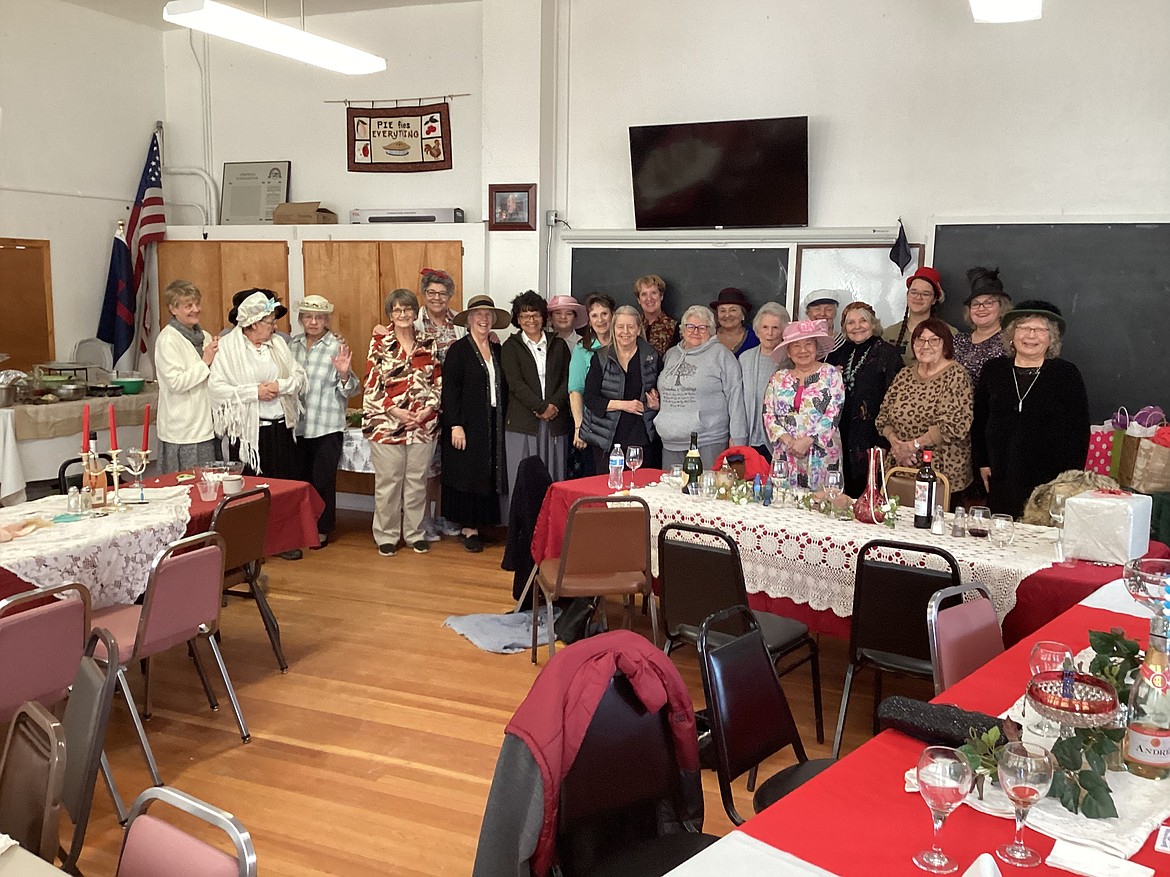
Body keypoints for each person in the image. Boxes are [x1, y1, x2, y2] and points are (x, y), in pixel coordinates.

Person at [972, 300, 1090, 519]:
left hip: (1049, 480)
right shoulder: (993, 371)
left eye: (1039, 330)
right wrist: (983, 463)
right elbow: (979, 420)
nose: (1031, 335)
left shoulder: (1066, 374)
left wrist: (1069, 480)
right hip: (1001, 474)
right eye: (1024, 328)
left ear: (1051, 337)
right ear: (1012, 335)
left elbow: (1079, 432)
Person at [362, 289, 442, 557]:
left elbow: (438, 383)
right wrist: (396, 411)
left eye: (408, 309)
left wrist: (426, 411)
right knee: (388, 483)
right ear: (390, 315)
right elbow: (372, 385)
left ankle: (415, 533)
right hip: (387, 426)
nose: (403, 314)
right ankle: (386, 535)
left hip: (422, 426)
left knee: (417, 482)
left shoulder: (428, 343)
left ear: (415, 312)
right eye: (397, 310)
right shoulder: (379, 344)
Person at [209, 290, 306, 481]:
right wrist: (255, 392)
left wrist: (280, 386)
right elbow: (217, 390)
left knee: (284, 485)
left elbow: (299, 376)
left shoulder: (278, 344)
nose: (275, 326)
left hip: (281, 430)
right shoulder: (228, 348)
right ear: (254, 323)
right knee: (252, 488)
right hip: (249, 434)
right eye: (270, 322)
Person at [441, 295, 511, 553]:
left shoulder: (497, 348)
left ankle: (481, 525)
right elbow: (450, 390)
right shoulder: (459, 350)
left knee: (488, 470)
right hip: (468, 420)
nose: (483, 319)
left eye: (488, 315)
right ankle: (468, 528)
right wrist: (455, 424)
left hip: (492, 419)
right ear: (469, 319)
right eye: (478, 315)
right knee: (468, 471)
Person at [875, 318, 973, 499]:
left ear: (946, 344)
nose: (925, 345)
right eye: (920, 340)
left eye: (934, 340)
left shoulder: (956, 375)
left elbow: (955, 425)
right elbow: (883, 418)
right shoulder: (905, 374)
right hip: (899, 467)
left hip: (941, 472)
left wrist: (914, 446)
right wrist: (897, 446)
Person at [291, 294, 360, 548]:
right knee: (300, 481)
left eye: (318, 317)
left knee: (322, 481)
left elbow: (352, 389)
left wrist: (343, 374)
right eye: (308, 317)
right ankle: (301, 527)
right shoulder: (291, 346)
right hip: (297, 426)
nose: (313, 322)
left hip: (326, 427)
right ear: (301, 319)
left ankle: (321, 529)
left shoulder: (336, 346)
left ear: (326, 320)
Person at [826, 302, 905, 497]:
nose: (857, 326)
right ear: (844, 327)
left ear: (873, 324)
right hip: (842, 436)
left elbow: (895, 401)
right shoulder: (839, 354)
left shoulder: (888, 353)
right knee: (842, 495)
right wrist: (830, 375)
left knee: (869, 494)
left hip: (873, 436)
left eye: (863, 320)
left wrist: (884, 442)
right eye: (851, 322)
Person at [657, 304, 747, 469]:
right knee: (671, 492)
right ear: (682, 330)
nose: (695, 331)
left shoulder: (722, 355)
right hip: (671, 441)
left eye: (702, 328)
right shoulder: (670, 355)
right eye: (690, 326)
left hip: (708, 441)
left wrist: (739, 438)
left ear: (711, 331)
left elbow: (736, 397)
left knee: (705, 492)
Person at [500, 290, 571, 495]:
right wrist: (540, 407)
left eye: (535, 314)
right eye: (524, 315)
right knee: (522, 479)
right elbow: (515, 383)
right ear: (518, 319)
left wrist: (553, 405)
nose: (530, 320)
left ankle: (552, 525)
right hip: (523, 424)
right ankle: (522, 526)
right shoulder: (510, 347)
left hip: (555, 422)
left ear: (543, 317)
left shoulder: (559, 344)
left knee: (553, 479)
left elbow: (568, 379)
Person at [414, 267, 466, 541]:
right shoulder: (413, 323)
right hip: (424, 404)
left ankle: (445, 516)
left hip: (454, 404)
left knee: (450, 466)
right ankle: (422, 521)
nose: (436, 298)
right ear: (424, 294)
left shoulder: (459, 322)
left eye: (442, 293)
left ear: (450, 295)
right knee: (425, 467)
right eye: (431, 293)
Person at [763, 320, 844, 489]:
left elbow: (833, 412)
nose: (803, 350)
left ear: (816, 348)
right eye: (796, 346)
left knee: (821, 505)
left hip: (821, 453)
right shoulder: (778, 377)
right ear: (789, 352)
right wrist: (789, 441)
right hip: (786, 452)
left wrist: (808, 440)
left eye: (808, 344)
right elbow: (768, 414)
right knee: (783, 505)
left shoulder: (831, 374)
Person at [581, 305, 662, 472]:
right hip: (606, 439)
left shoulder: (652, 357)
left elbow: (660, 394)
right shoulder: (601, 358)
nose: (625, 331)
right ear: (613, 329)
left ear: (639, 329)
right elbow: (590, 398)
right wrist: (625, 405)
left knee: (639, 491)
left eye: (631, 326)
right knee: (609, 491)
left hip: (642, 437)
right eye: (620, 327)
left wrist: (656, 404)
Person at [154, 279, 219, 473]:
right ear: (173, 309)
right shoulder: (168, 340)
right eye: (188, 305)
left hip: (205, 425)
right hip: (182, 431)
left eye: (197, 304)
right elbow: (176, 383)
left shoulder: (204, 335)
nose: (195, 309)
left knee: (208, 484)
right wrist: (206, 360)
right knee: (185, 486)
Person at [567, 293, 615, 472]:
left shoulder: (624, 344)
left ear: (612, 315)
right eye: (594, 315)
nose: (600, 320)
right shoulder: (582, 349)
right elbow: (575, 390)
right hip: (593, 427)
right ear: (589, 320)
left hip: (620, 425)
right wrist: (580, 427)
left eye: (604, 314)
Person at [739, 302, 791, 462]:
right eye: (765, 327)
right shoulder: (744, 359)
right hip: (748, 437)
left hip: (779, 440)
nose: (770, 333)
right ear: (757, 330)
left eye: (775, 328)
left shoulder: (790, 361)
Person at [883, 267, 957, 366]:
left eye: (925, 294)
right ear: (907, 295)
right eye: (913, 292)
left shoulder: (950, 334)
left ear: (934, 299)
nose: (918, 297)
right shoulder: (889, 334)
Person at [954, 267, 1011, 384]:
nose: (981, 308)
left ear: (1001, 307)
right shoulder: (958, 340)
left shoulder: (1010, 341)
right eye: (975, 304)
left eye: (988, 303)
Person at [634, 274, 679, 357]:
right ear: (638, 300)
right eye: (644, 294)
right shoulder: (633, 325)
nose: (649, 298)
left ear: (661, 296)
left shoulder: (674, 327)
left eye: (653, 293)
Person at [710, 287, 759, 356]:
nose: (727, 315)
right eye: (722, 310)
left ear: (743, 314)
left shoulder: (755, 337)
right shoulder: (708, 336)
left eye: (733, 310)